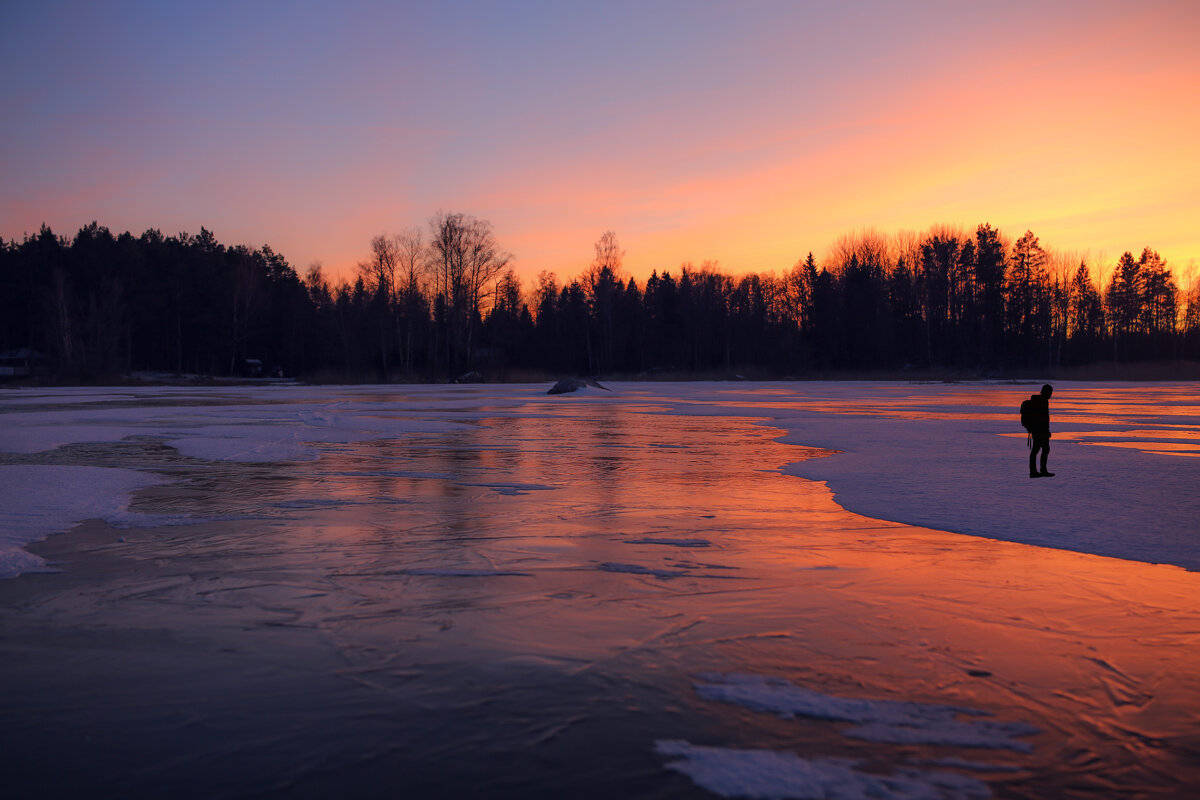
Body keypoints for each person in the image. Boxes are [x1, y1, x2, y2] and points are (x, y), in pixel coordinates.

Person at [1023, 384, 1054, 478]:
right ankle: (1035, 472)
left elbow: (1044, 418)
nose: (1051, 394)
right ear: (1045, 392)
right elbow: (1042, 418)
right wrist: (1044, 430)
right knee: (1038, 450)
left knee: (1043, 449)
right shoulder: (1041, 401)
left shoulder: (1042, 400)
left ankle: (1040, 471)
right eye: (1050, 392)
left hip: (1039, 430)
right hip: (1039, 430)